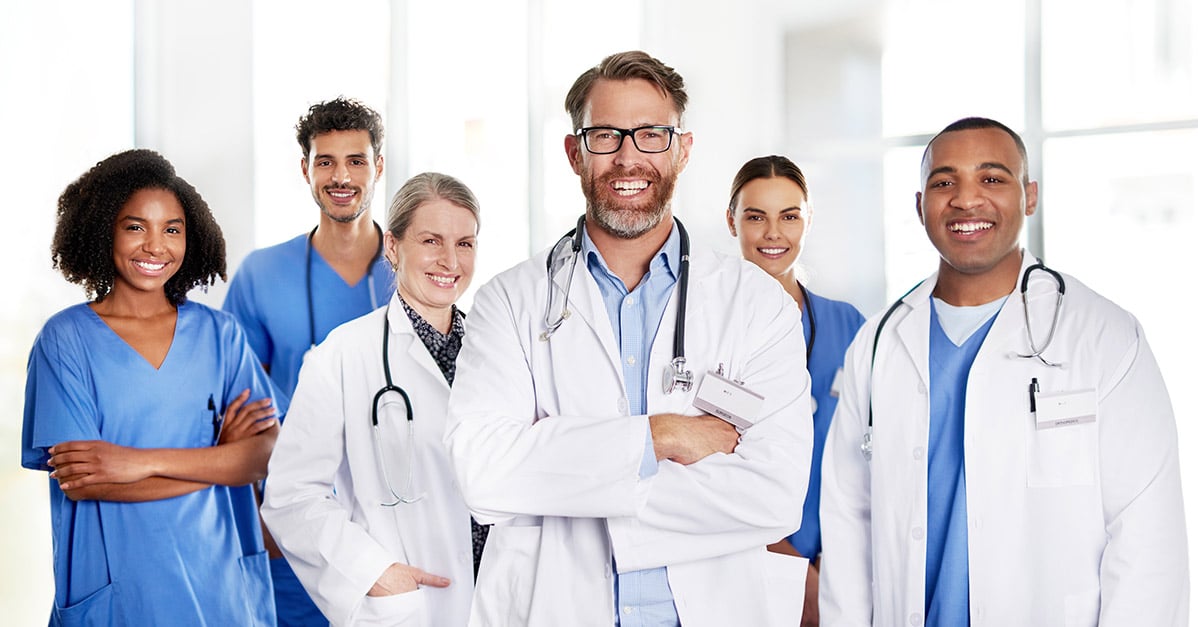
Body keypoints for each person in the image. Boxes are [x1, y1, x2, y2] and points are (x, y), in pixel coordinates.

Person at [444, 50, 813, 627]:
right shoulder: (508, 301)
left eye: (651, 135)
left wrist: (571, 480)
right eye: (606, 135)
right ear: (575, 153)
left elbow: (774, 493)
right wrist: (659, 436)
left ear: (682, 150)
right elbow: (483, 472)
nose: (629, 157)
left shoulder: (758, 306)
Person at [820, 117, 1189, 625]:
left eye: (992, 178)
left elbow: (1148, 539)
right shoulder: (879, 342)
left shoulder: (1103, 336)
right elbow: (847, 520)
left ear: (1029, 195)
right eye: (944, 182)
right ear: (919, 205)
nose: (966, 200)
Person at [21, 149, 284, 625]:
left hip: (219, 588)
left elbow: (264, 455)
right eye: (136, 226)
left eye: (172, 229)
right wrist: (220, 460)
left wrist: (135, 462)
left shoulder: (220, 335)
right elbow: (86, 481)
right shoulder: (65, 341)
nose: (155, 246)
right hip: (119, 592)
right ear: (104, 229)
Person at [261, 172, 484, 627]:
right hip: (415, 605)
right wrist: (375, 574)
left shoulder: (499, 348)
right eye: (431, 240)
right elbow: (290, 495)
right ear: (394, 247)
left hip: (503, 594)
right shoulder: (342, 355)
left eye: (465, 243)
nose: (449, 260)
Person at [224, 96, 394, 624]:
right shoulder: (261, 275)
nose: (341, 176)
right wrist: (261, 518)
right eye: (326, 161)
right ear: (306, 169)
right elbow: (234, 413)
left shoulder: (418, 270)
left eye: (356, 160)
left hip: (393, 520)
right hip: (292, 526)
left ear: (378, 167)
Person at [725, 155, 864, 627]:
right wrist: (790, 565)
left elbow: (874, 454)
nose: (773, 234)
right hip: (745, 555)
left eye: (789, 216)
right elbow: (703, 463)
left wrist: (832, 565)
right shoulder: (709, 330)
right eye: (755, 216)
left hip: (841, 560)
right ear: (732, 221)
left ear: (808, 220)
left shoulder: (849, 326)